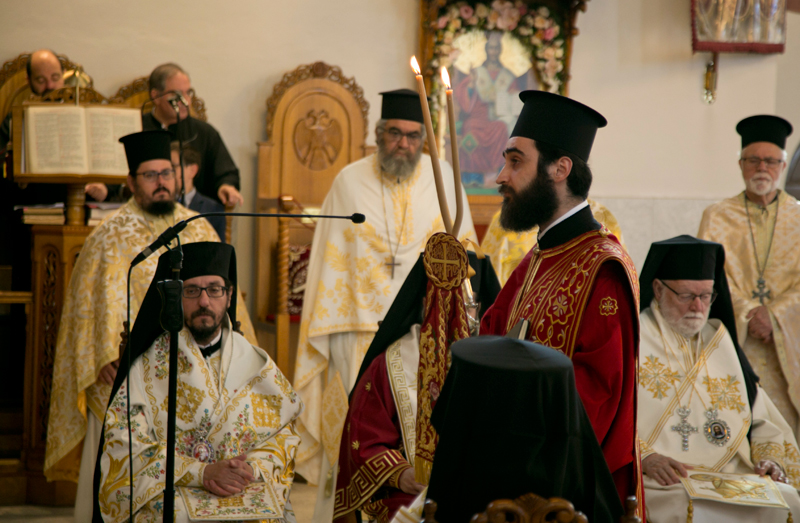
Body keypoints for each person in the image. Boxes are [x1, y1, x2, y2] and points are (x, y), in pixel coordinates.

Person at [43, 130, 256, 521]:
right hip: (126, 375)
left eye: (166, 173)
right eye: (149, 175)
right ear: (130, 183)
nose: (161, 182)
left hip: (196, 377)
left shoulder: (199, 226)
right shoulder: (106, 236)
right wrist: (102, 359)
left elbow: (227, 300)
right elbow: (84, 312)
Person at [293, 88, 477, 523]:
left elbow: (465, 256)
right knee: (353, 431)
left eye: (414, 137)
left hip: (423, 334)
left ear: (425, 141)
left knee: (419, 425)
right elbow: (327, 261)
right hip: (356, 327)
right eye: (395, 134)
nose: (404, 144)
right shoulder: (348, 181)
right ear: (379, 134)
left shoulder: (445, 181)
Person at [479, 91, 641, 507]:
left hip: (564, 491)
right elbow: (491, 337)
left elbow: (597, 396)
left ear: (560, 169)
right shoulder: (539, 256)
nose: (500, 176)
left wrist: (513, 445)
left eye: (515, 161)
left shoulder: (603, 268)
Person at [94, 242, 302, 522]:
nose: (204, 302)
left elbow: (283, 436)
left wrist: (251, 470)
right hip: (175, 491)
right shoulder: (148, 367)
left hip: (241, 487)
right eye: (192, 291)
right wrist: (200, 472)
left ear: (229, 297)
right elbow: (124, 444)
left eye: (214, 289)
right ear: (177, 298)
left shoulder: (256, 363)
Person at [638, 235, 800, 523]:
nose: (698, 307)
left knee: (787, 500)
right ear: (658, 288)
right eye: (687, 295)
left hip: (733, 476)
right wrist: (645, 457)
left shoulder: (720, 339)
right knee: (682, 505)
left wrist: (769, 459)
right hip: (665, 478)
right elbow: (605, 416)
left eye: (706, 296)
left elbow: (762, 419)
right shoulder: (633, 338)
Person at [333, 251, 500, 523]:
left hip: (486, 498)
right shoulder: (390, 364)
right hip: (410, 498)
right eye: (446, 303)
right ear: (426, 303)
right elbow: (364, 438)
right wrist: (401, 475)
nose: (457, 314)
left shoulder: (500, 364)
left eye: (467, 305)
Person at [698, 115, 800, 436]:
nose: (762, 168)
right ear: (740, 164)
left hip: (789, 347)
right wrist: (748, 313)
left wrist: (775, 315)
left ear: (783, 167)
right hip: (736, 342)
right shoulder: (717, 216)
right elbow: (709, 278)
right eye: (753, 160)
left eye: (770, 161)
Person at [142, 63, 242, 207]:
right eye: (177, 94)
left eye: (188, 93)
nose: (186, 101)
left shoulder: (204, 132)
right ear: (156, 96)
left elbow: (226, 172)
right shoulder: (137, 127)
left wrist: (225, 186)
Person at [481, 198, 626, 285]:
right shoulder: (509, 220)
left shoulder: (603, 217)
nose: (502, 177)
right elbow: (491, 286)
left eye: (516, 162)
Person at [172, 142, 226, 241]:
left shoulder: (213, 209)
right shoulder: (159, 205)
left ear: (192, 170)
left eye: (173, 167)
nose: (167, 173)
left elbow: (219, 251)